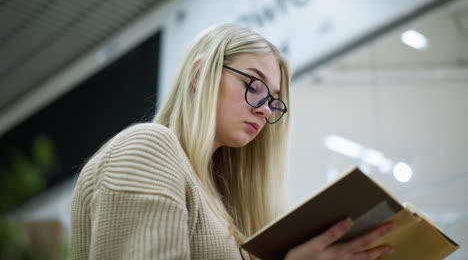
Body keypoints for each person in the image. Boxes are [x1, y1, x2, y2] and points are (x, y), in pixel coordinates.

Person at [70, 24, 395, 260]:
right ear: (200, 75)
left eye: (273, 101)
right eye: (254, 84)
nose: (265, 108)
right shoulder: (150, 148)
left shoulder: (226, 205)